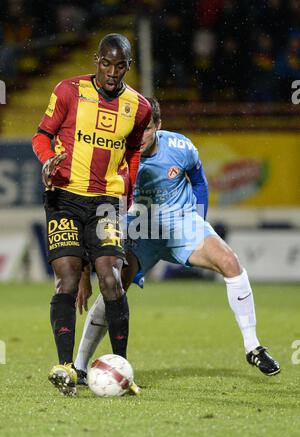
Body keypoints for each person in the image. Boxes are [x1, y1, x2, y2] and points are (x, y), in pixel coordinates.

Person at [74, 98, 280, 387]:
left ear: (158, 126)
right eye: (135, 129)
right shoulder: (115, 154)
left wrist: (198, 220)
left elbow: (198, 180)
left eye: (145, 129)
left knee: (231, 263)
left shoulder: (180, 147)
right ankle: (80, 367)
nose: (139, 135)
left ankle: (253, 347)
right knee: (113, 286)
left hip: (181, 222)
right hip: (141, 227)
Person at [32, 33, 152, 396]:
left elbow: (133, 152)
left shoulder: (139, 106)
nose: (112, 72)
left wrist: (126, 194)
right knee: (67, 279)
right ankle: (67, 367)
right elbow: (42, 135)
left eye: (119, 65)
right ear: (95, 60)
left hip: (106, 202)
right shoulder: (68, 91)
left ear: (128, 67)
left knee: (112, 279)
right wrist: (47, 160)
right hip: (65, 197)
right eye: (106, 63)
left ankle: (121, 366)